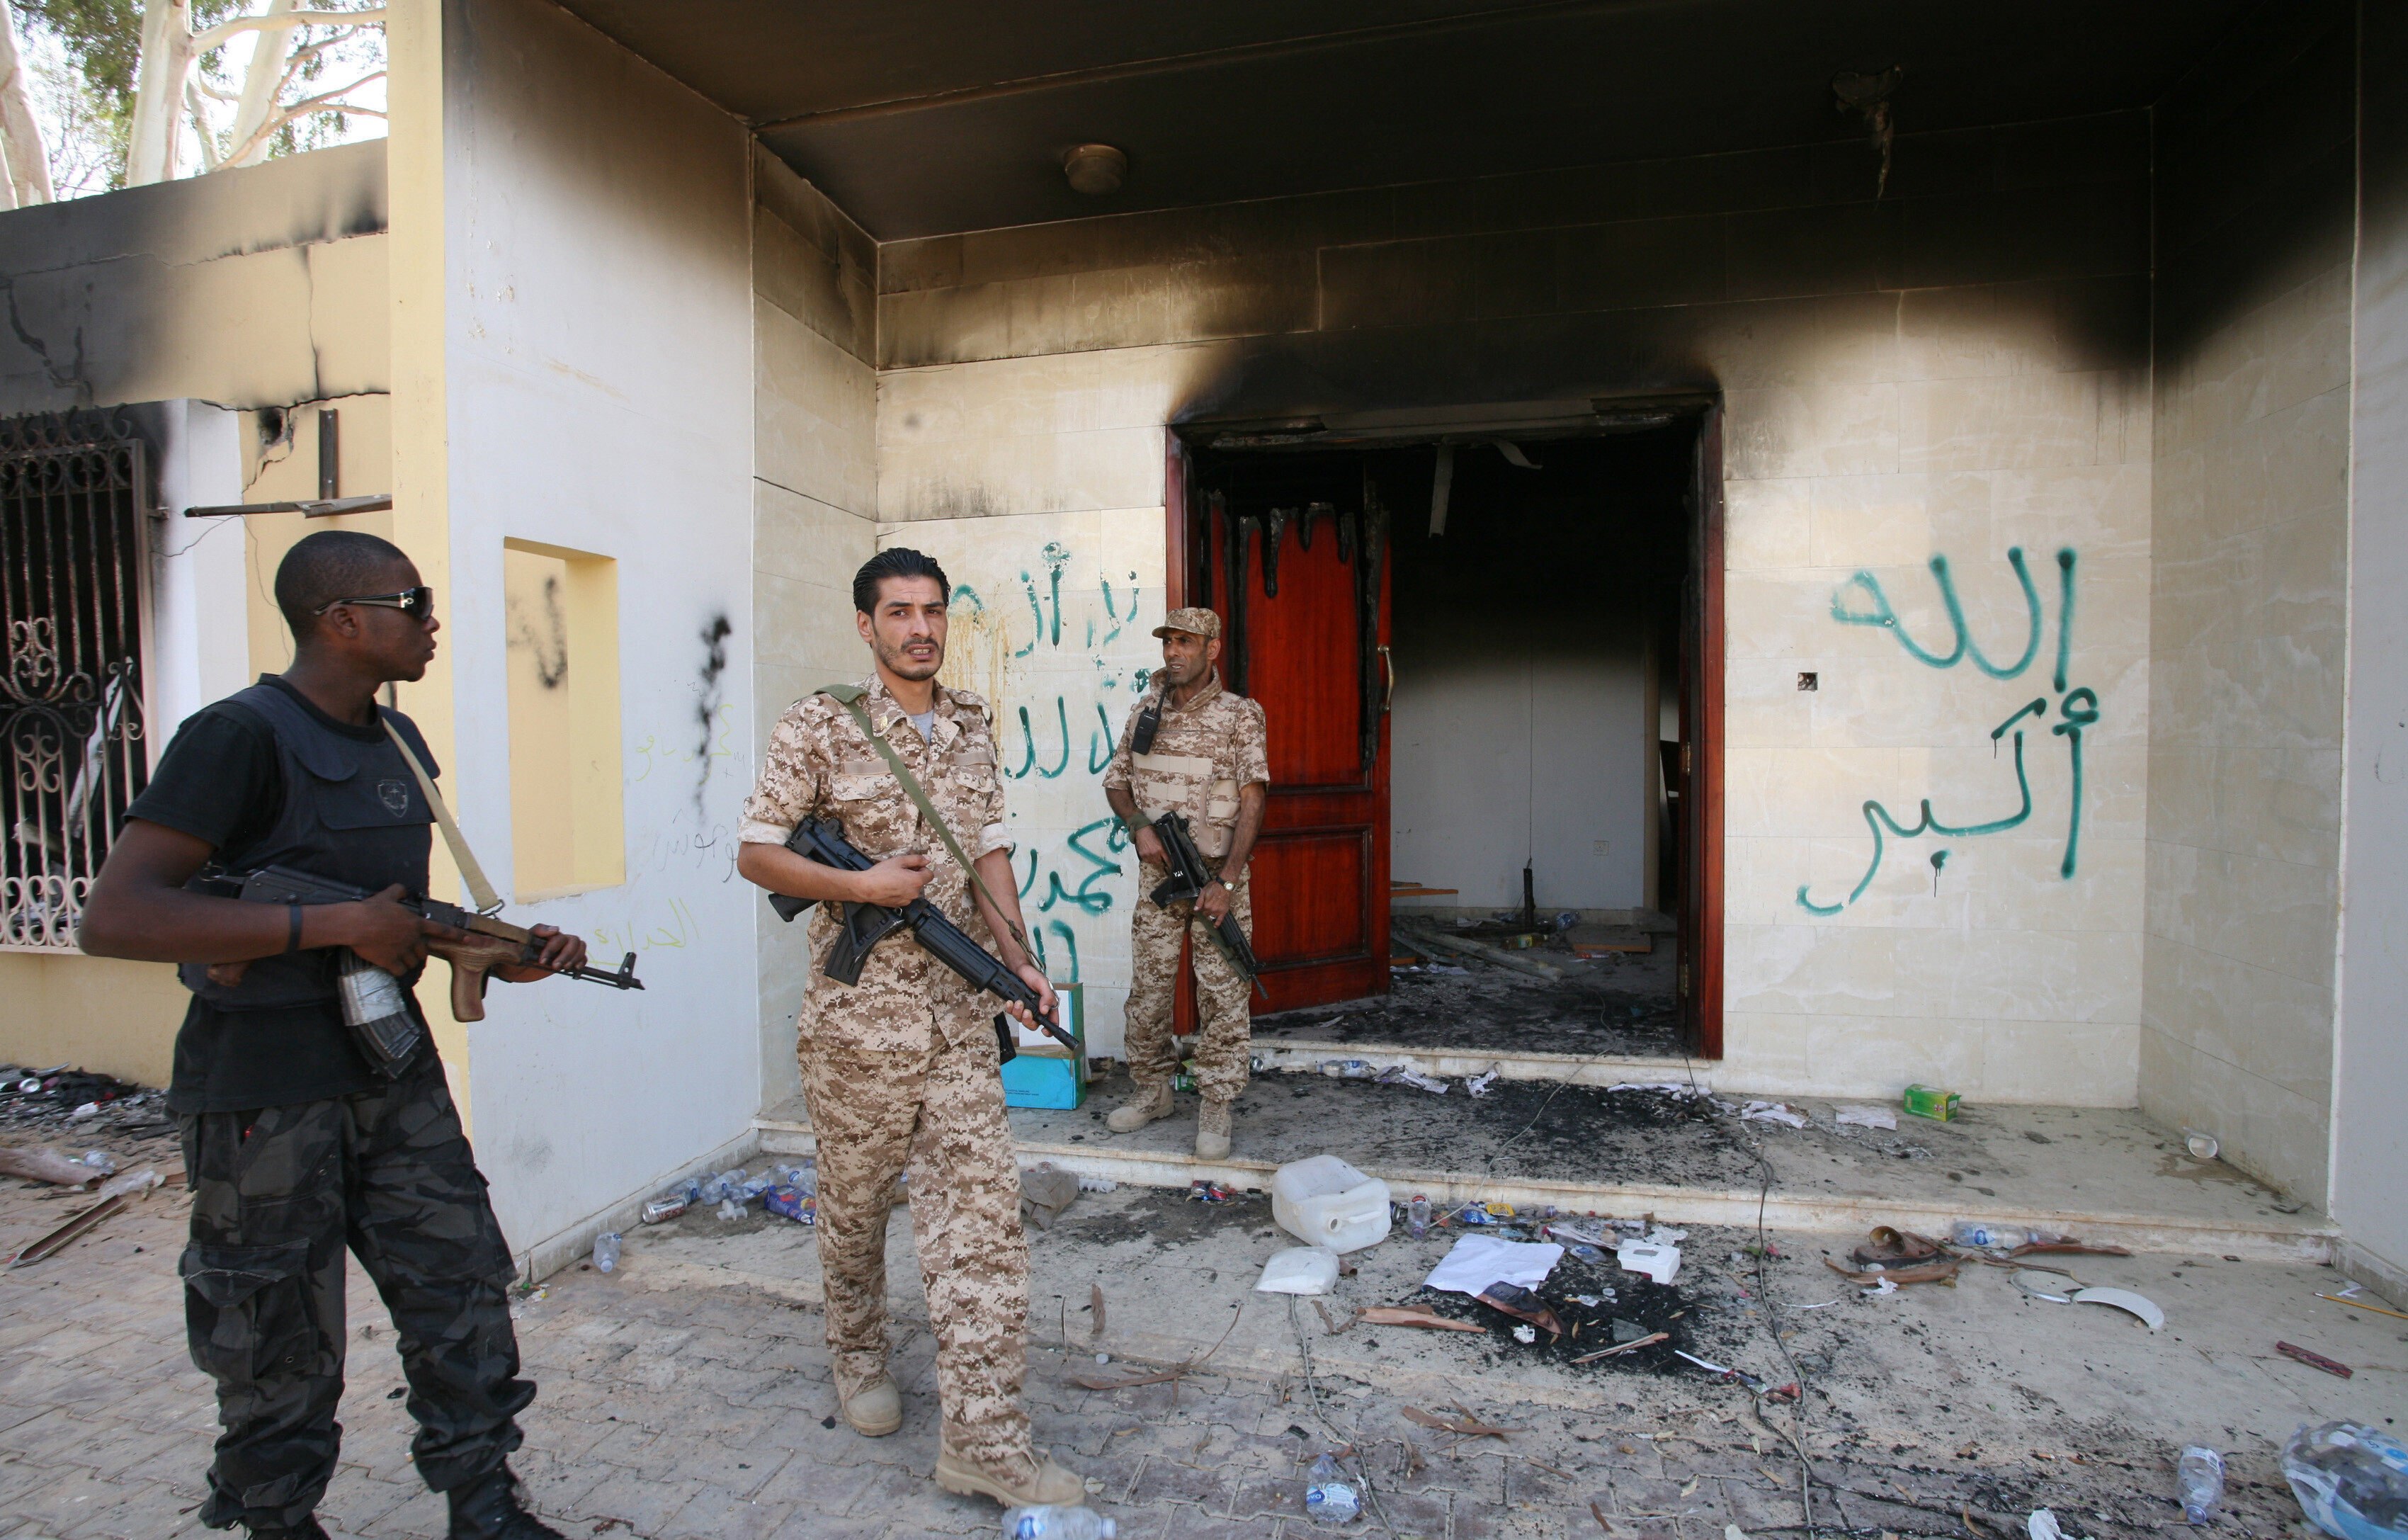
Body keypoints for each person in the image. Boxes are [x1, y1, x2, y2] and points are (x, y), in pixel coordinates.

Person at [78, 531, 582, 1540]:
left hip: (389, 1066)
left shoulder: (399, 744)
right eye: (414, 601)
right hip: (263, 1088)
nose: (432, 620)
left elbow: (384, 907)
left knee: (462, 1287)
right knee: (274, 1327)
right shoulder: (239, 735)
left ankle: (483, 1503)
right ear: (340, 620)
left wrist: (482, 945)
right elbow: (119, 914)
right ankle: (276, 1517)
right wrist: (334, 926)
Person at [734, 548, 1084, 1510]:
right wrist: (859, 886)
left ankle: (986, 1438)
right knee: (853, 1210)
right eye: (899, 612)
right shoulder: (821, 723)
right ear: (866, 623)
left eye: (932, 610)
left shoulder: (972, 721)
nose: (920, 626)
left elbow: (987, 848)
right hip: (859, 1028)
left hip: (960, 1025)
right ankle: (856, 1348)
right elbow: (757, 854)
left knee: (981, 1227)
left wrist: (1017, 953)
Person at [1100, 606, 1270, 1160]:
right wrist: (1139, 827)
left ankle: (1216, 1105)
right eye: (1168, 642)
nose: (1174, 652)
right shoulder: (1144, 712)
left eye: (1187, 642)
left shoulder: (1239, 716)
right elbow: (1117, 784)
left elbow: (1253, 801)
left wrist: (1226, 878)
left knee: (1222, 994)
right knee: (1149, 991)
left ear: (1212, 649)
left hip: (1215, 878)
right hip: (1159, 876)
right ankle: (1152, 1091)